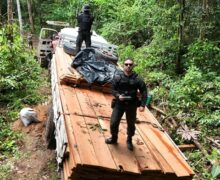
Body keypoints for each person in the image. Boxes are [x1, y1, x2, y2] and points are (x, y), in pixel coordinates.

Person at [105, 59, 148, 151]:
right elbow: (112, 89)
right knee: (113, 122)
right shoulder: (117, 77)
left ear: (133, 66)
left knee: (131, 124)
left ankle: (129, 140)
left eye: (130, 64)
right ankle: (114, 138)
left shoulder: (138, 79)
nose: (128, 66)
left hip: (132, 104)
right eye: (126, 64)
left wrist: (143, 105)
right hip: (119, 103)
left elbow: (144, 92)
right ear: (123, 65)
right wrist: (118, 95)